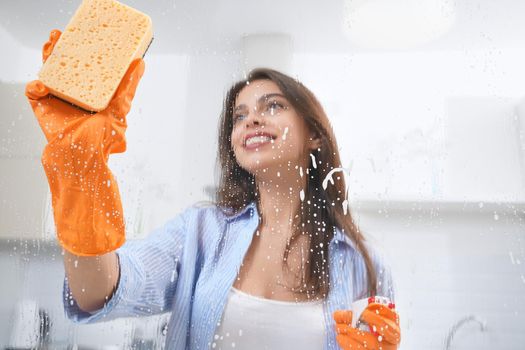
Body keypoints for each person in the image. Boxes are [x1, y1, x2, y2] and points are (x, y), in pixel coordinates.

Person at [26, 30, 401, 350]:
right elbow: (98, 293)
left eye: (273, 106)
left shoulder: (363, 263)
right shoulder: (199, 232)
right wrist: (81, 177)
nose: (252, 118)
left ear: (315, 134)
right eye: (239, 115)